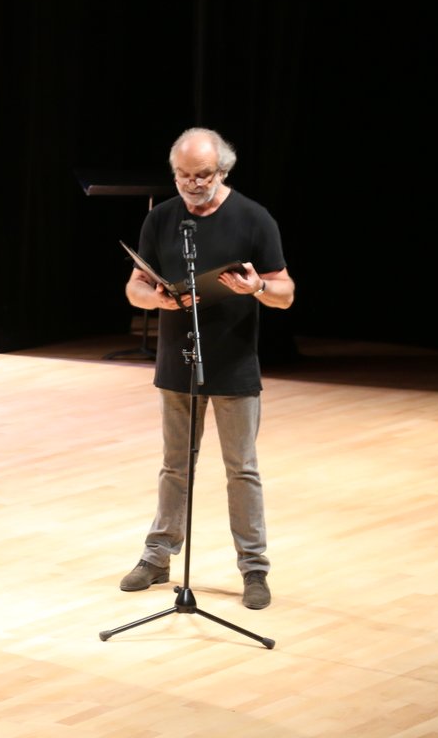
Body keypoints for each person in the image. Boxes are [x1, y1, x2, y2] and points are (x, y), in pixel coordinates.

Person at [119, 127, 295, 610]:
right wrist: (154, 299)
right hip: (178, 362)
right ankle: (158, 558)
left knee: (242, 470)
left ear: (222, 172)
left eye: (202, 176)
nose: (192, 185)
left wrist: (258, 287)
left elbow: (285, 293)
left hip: (235, 364)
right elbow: (134, 288)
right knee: (175, 466)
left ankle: (254, 570)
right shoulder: (161, 219)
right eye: (183, 176)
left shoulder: (254, 219)